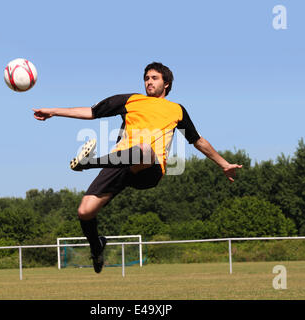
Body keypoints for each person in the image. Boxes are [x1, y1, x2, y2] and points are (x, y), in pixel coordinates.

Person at [33, 62, 242, 273]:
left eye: (154, 78)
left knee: (143, 148)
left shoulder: (176, 110)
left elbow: (197, 140)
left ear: (166, 84)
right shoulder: (131, 100)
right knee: (85, 212)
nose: (149, 82)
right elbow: (92, 112)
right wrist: (53, 111)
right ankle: (97, 246)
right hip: (119, 163)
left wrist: (224, 164)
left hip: (149, 169)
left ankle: (87, 163)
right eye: (146, 78)